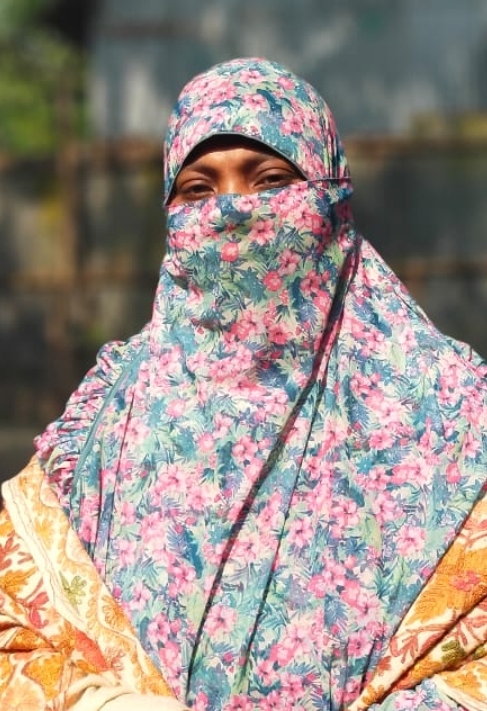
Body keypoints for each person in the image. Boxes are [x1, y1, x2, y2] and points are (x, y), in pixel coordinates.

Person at [1, 57, 487, 711]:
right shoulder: (106, 421)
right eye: (198, 189)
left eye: (270, 180)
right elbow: (19, 627)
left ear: (332, 197)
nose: (231, 211)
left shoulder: (450, 413)